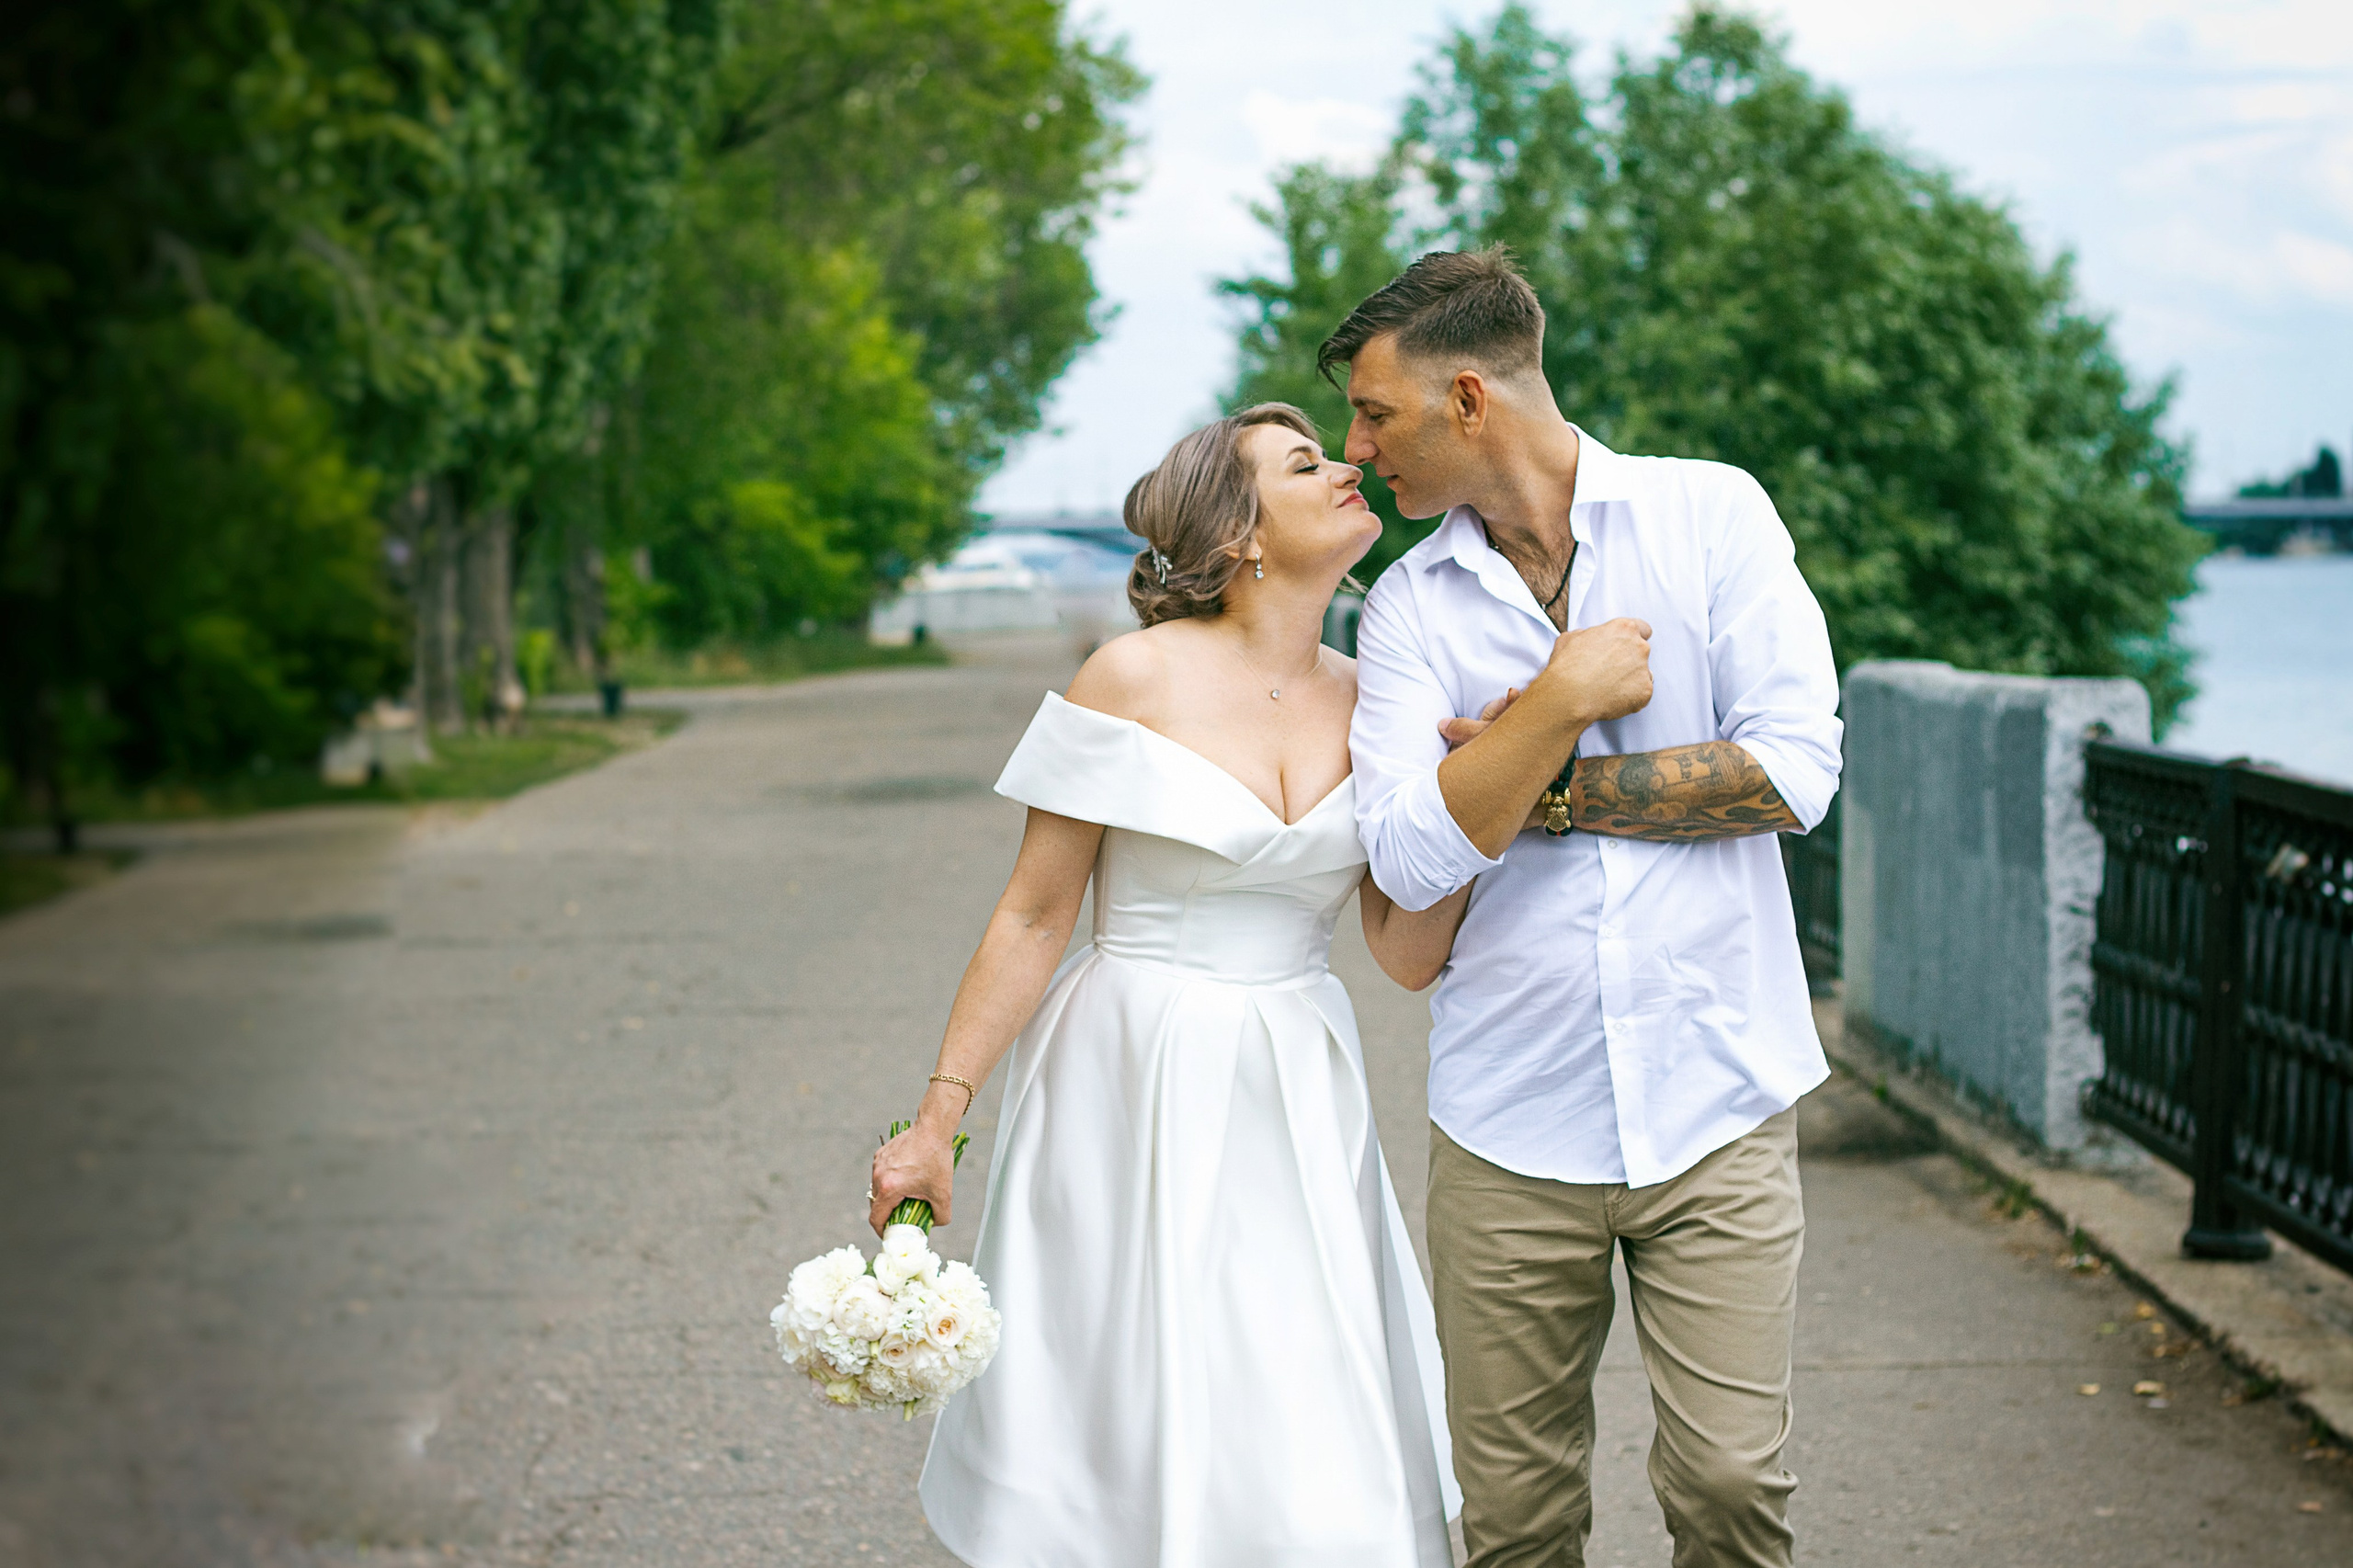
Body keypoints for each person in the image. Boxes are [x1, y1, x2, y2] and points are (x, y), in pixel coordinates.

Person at [869, 403, 1585, 1566]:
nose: (1350, 466)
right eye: (1307, 463)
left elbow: (1404, 951)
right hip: (1128, 1069)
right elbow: (1036, 912)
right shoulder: (1130, 676)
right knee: (1128, 1400)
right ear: (1241, 531)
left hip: (1296, 1072)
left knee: (1300, 1394)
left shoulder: (1374, 697)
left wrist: (1478, 789)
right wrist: (939, 1118)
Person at [1336, 248, 1844, 1568]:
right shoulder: (1404, 607)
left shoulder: (1711, 517)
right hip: (1508, 1121)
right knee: (1513, 1521)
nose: (1355, 447)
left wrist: (1530, 778)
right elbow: (1402, 854)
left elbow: (1793, 769)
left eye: (1373, 412)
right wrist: (1562, 697)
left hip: (1719, 1092)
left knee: (1733, 1486)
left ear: (1465, 399)